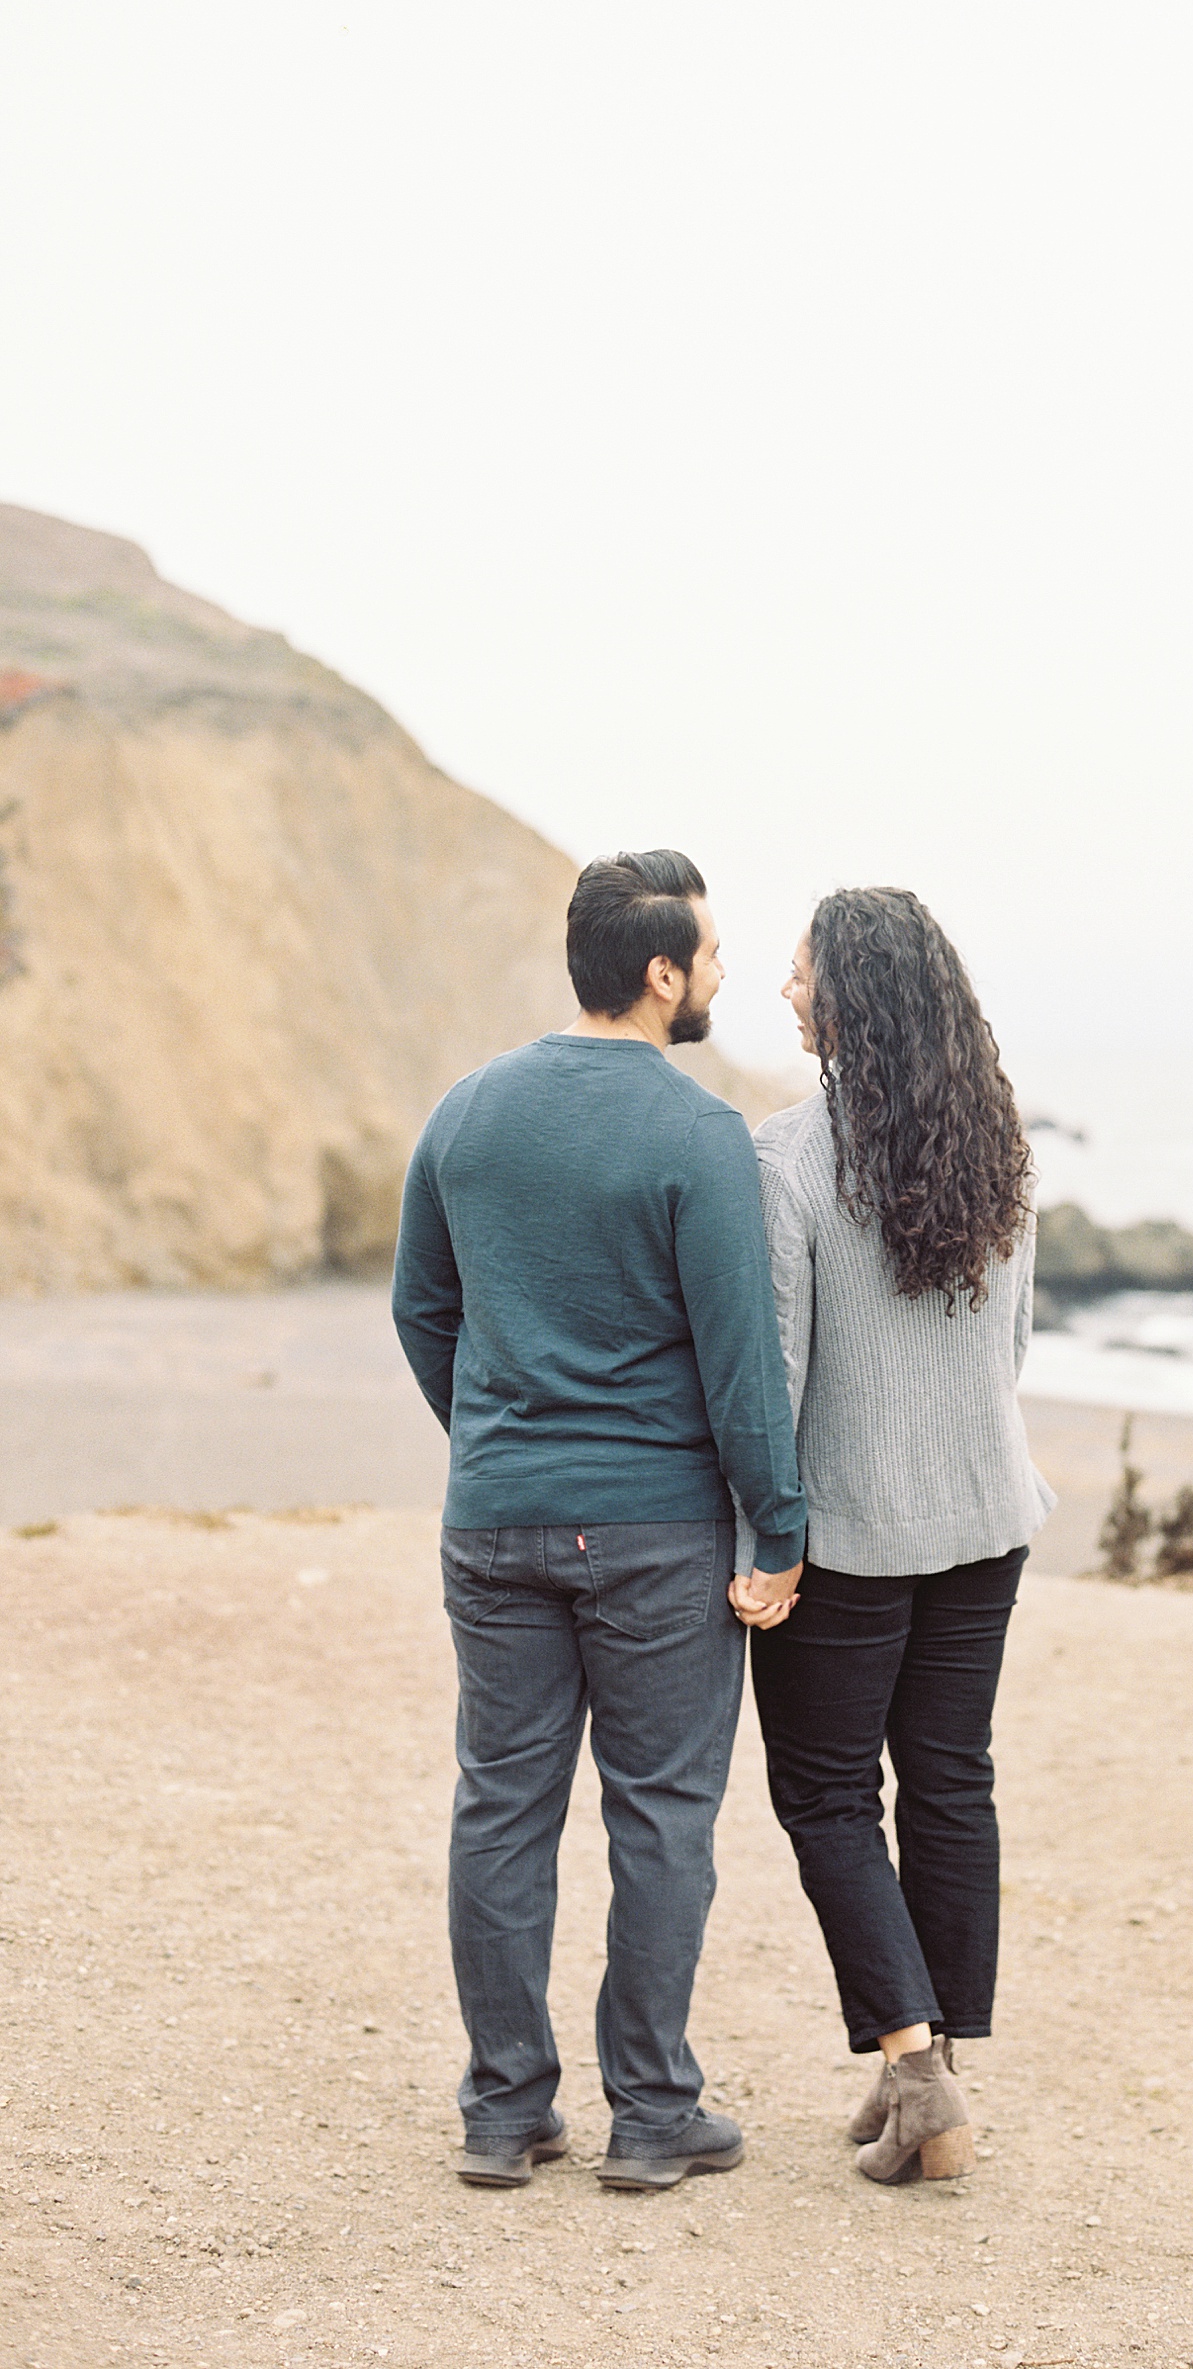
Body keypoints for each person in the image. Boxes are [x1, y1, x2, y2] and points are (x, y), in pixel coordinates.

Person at [392, 849, 805, 2193]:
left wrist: (502, 1442)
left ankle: (504, 2110)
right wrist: (779, 1528)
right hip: (657, 1532)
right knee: (663, 1816)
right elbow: (743, 1363)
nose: (725, 972)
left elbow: (421, 1309)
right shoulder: (697, 1132)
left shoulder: (468, 1109)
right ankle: (650, 2114)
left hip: (498, 1517)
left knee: (501, 1808)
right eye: (710, 953)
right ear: (659, 972)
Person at [731, 887, 1055, 2183]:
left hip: (854, 1535)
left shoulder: (791, 1158)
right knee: (949, 1780)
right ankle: (932, 2070)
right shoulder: (1000, 1144)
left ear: (852, 997)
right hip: (984, 1514)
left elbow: (782, 1379)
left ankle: (919, 2075)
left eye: (803, 971)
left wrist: (774, 1535)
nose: (787, 990)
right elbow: (1014, 1350)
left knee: (822, 1794)